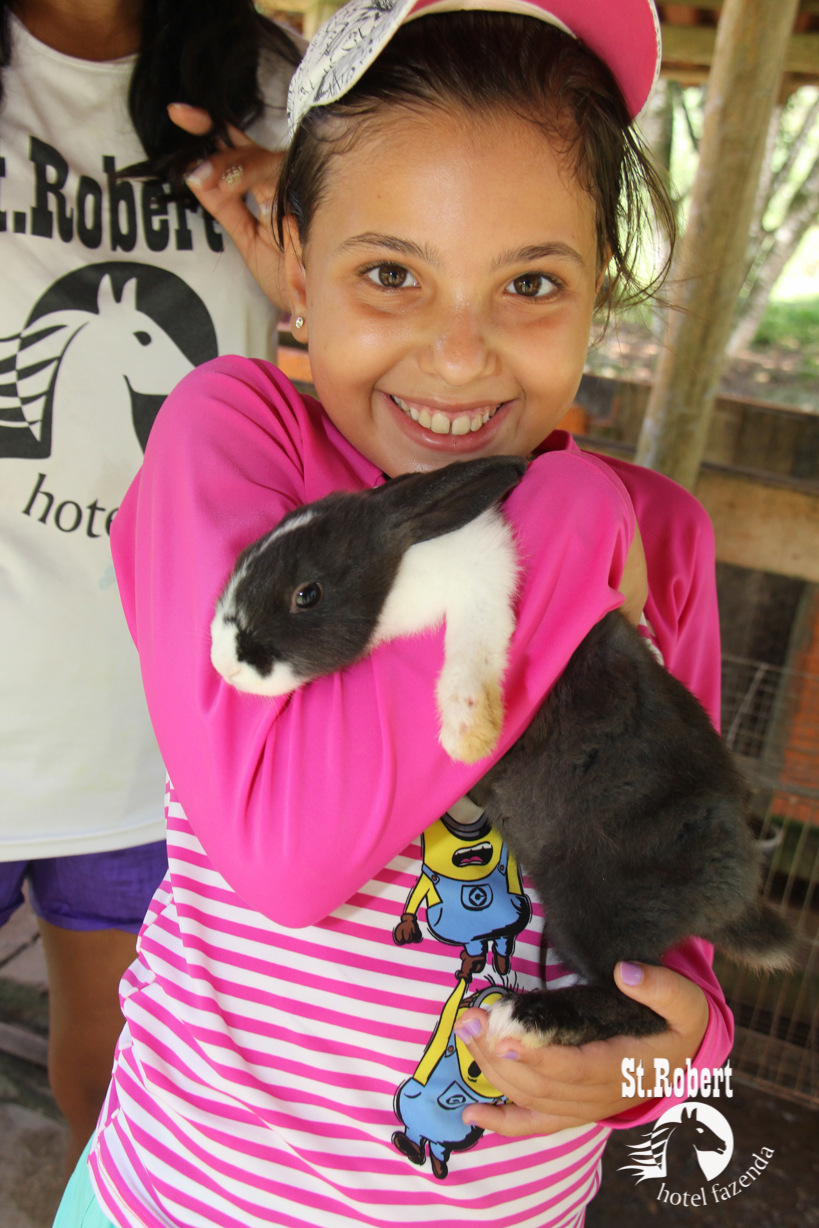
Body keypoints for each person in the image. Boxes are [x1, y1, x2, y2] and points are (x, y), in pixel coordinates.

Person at [55, 0, 734, 1224]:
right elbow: (286, 852)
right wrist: (567, 522)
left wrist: (662, 1061)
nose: (459, 357)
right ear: (294, 262)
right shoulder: (243, 446)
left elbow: (678, 928)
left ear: (599, 291)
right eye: (389, 274)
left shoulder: (665, 541)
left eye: (531, 282)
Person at [0, 0, 300, 1174]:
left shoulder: (270, 85)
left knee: (121, 1088)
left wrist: (321, 252)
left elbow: (364, 347)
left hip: (155, 734)